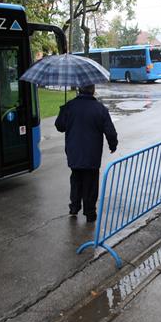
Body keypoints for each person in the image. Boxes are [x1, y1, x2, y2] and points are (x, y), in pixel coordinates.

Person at [55, 84, 118, 222]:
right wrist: (113, 144)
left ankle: (74, 207)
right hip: (92, 154)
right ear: (93, 90)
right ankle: (90, 213)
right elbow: (110, 131)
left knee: (76, 178)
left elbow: (60, 126)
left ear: (79, 90)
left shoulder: (70, 106)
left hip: (74, 152)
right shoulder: (100, 109)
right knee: (91, 182)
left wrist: (64, 109)